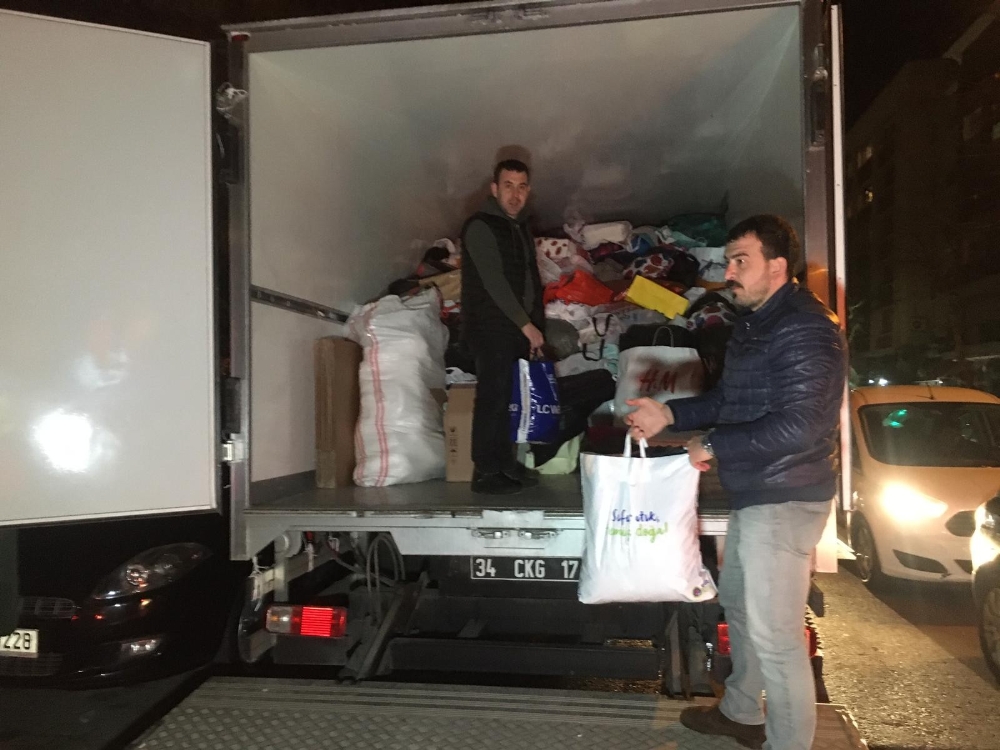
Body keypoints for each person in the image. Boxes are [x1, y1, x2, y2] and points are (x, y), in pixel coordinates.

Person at [626, 214, 847, 750]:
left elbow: (801, 426)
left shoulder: (806, 328)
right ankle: (742, 712)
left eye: (740, 261)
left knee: (777, 637)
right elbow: (729, 399)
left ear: (777, 266)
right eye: (728, 261)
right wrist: (670, 415)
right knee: (741, 604)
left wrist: (713, 444)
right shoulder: (759, 322)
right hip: (760, 491)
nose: (728, 273)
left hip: (787, 497)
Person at [460, 159, 546, 495]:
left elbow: (529, 280)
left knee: (507, 399)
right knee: (492, 398)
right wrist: (527, 325)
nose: (515, 194)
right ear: (494, 189)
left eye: (521, 187)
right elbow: (494, 282)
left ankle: (504, 463)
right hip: (489, 327)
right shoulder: (480, 226)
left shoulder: (519, 228)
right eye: (508, 186)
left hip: (513, 329)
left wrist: (534, 324)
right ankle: (485, 471)